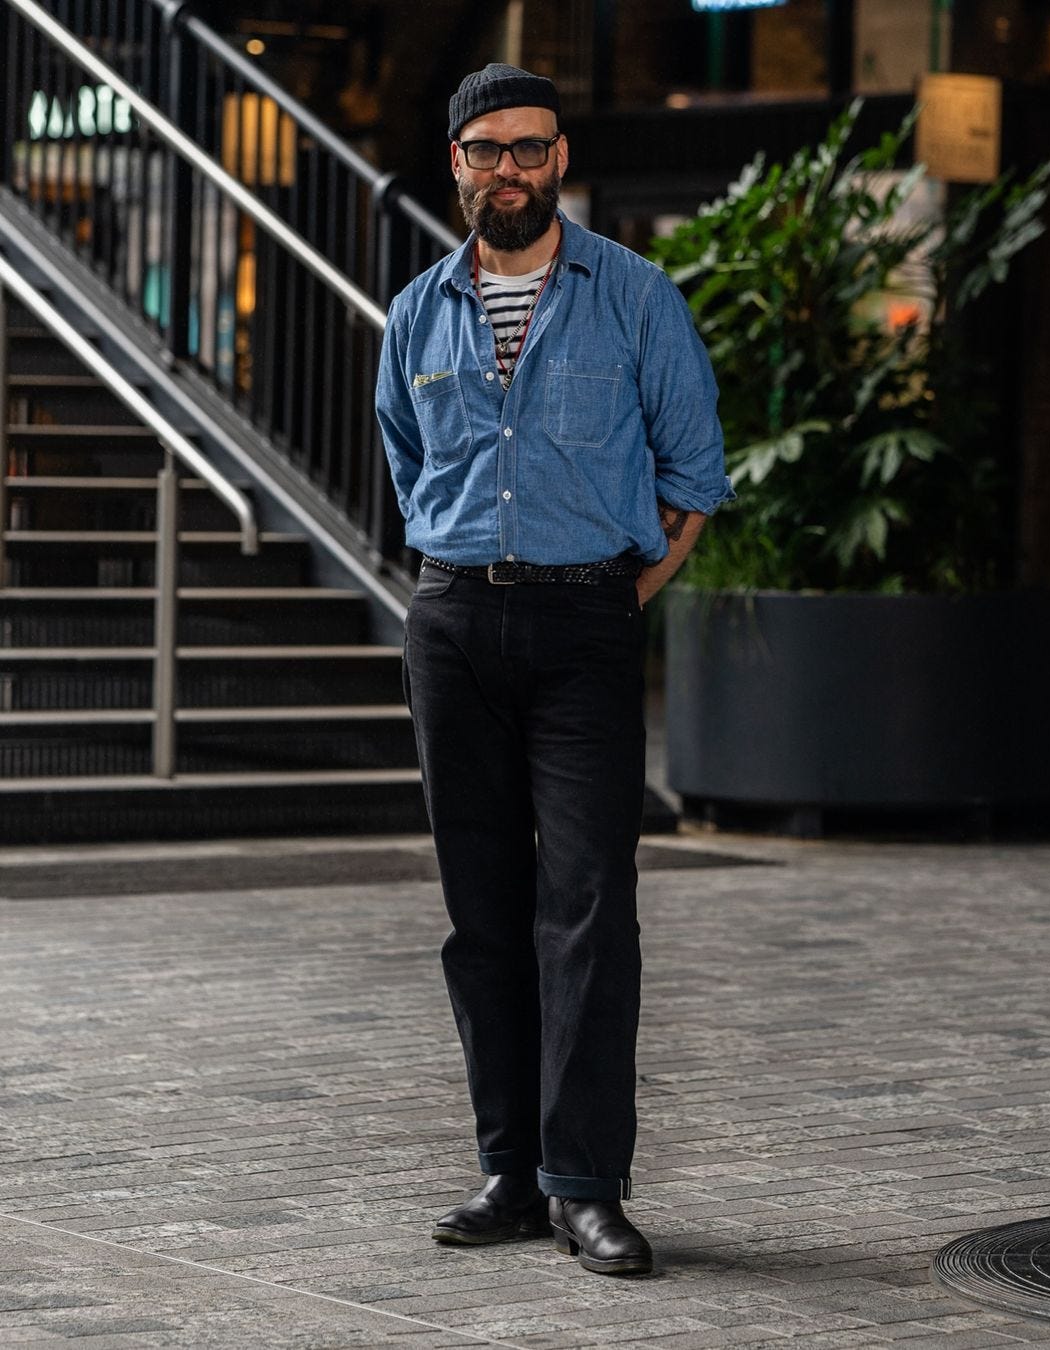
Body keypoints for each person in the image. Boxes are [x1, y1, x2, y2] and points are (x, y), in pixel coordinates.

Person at [375, 63, 733, 1278]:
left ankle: (586, 1185)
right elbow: (409, 463)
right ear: (458, 166)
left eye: (530, 148)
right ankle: (508, 1172)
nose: (509, 170)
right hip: (454, 623)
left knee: (586, 907)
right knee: (482, 914)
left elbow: (694, 475)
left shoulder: (635, 297)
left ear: (562, 159)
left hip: (584, 627)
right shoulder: (418, 312)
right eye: (486, 150)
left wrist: (624, 594)